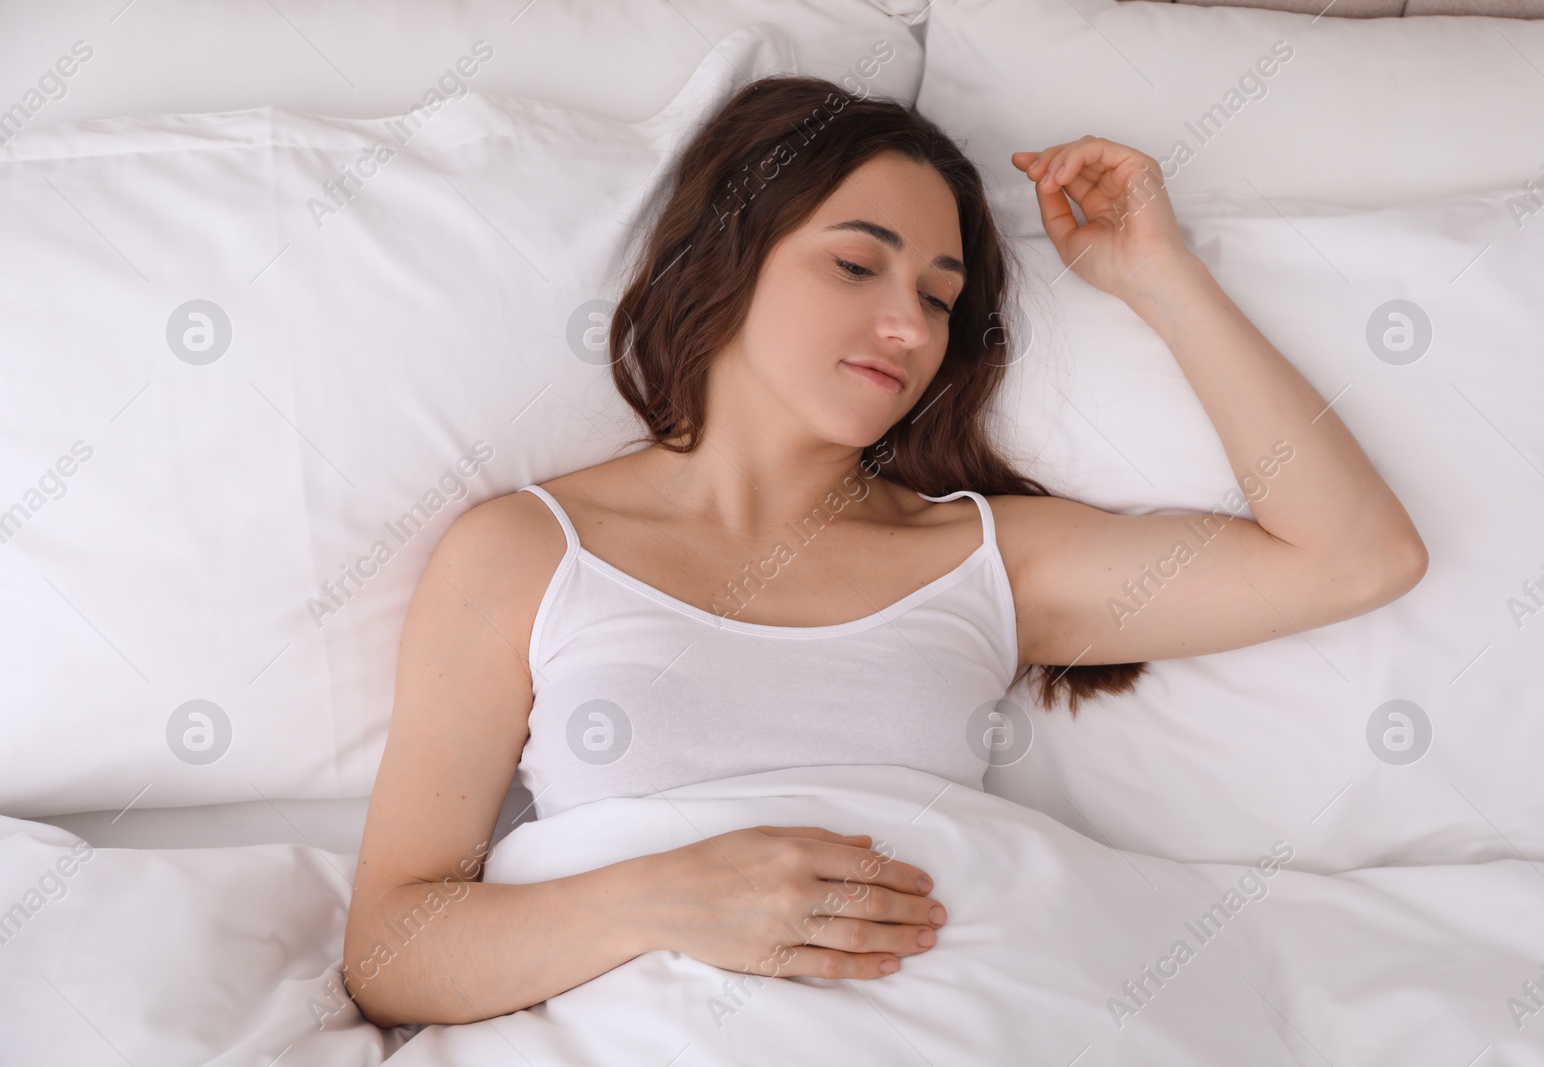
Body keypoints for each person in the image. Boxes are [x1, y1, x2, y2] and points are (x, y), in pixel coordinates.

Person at [343, 75, 1427, 1027]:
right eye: (857, 265)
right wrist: (657, 895)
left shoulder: (984, 556)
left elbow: (1354, 555)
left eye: (940, 297)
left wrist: (1159, 276)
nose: (908, 325)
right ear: (724, 255)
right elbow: (390, 949)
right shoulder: (526, 552)